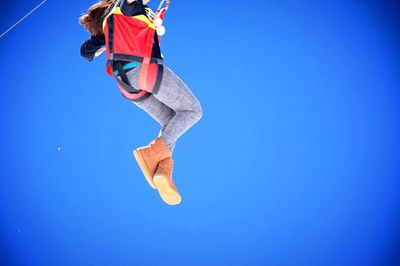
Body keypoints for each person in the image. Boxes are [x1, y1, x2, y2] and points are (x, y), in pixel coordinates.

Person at [79, 0, 202, 205]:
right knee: (193, 110)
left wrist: (98, 49)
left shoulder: (108, 23)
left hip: (126, 84)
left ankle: (163, 171)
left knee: (172, 121)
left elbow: (85, 51)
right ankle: (151, 153)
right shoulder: (128, 6)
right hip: (143, 70)